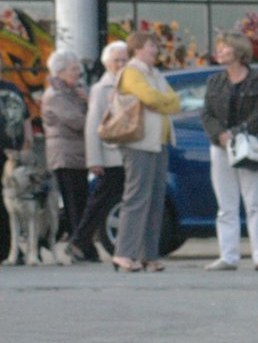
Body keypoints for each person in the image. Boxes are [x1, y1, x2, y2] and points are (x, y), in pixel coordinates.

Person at [200, 33, 258, 272]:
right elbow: (207, 114)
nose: (219, 52)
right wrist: (220, 135)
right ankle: (228, 255)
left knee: (255, 204)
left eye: (225, 48)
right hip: (221, 147)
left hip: (250, 145)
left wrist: (239, 132)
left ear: (239, 52)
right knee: (226, 204)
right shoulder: (215, 81)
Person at [111, 31, 181, 273]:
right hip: (138, 143)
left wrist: (163, 101)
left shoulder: (155, 73)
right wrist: (163, 100)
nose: (156, 50)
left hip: (158, 143)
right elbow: (150, 97)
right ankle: (124, 253)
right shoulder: (131, 72)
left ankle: (149, 255)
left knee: (155, 200)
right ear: (138, 48)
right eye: (152, 46)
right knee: (137, 198)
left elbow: (175, 101)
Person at [75, 41, 129, 262]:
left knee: (117, 200)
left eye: (125, 60)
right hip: (110, 155)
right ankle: (79, 240)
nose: (121, 64)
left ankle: (82, 241)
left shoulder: (132, 83)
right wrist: (94, 159)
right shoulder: (101, 88)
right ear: (107, 63)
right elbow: (93, 125)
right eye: (117, 60)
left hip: (129, 153)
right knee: (102, 199)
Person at [41, 49, 90, 259]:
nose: (78, 73)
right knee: (74, 202)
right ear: (59, 72)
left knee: (78, 200)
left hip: (77, 154)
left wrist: (86, 101)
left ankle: (43, 240)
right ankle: (81, 246)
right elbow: (78, 122)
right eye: (73, 69)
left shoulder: (73, 93)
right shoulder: (55, 96)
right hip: (65, 155)